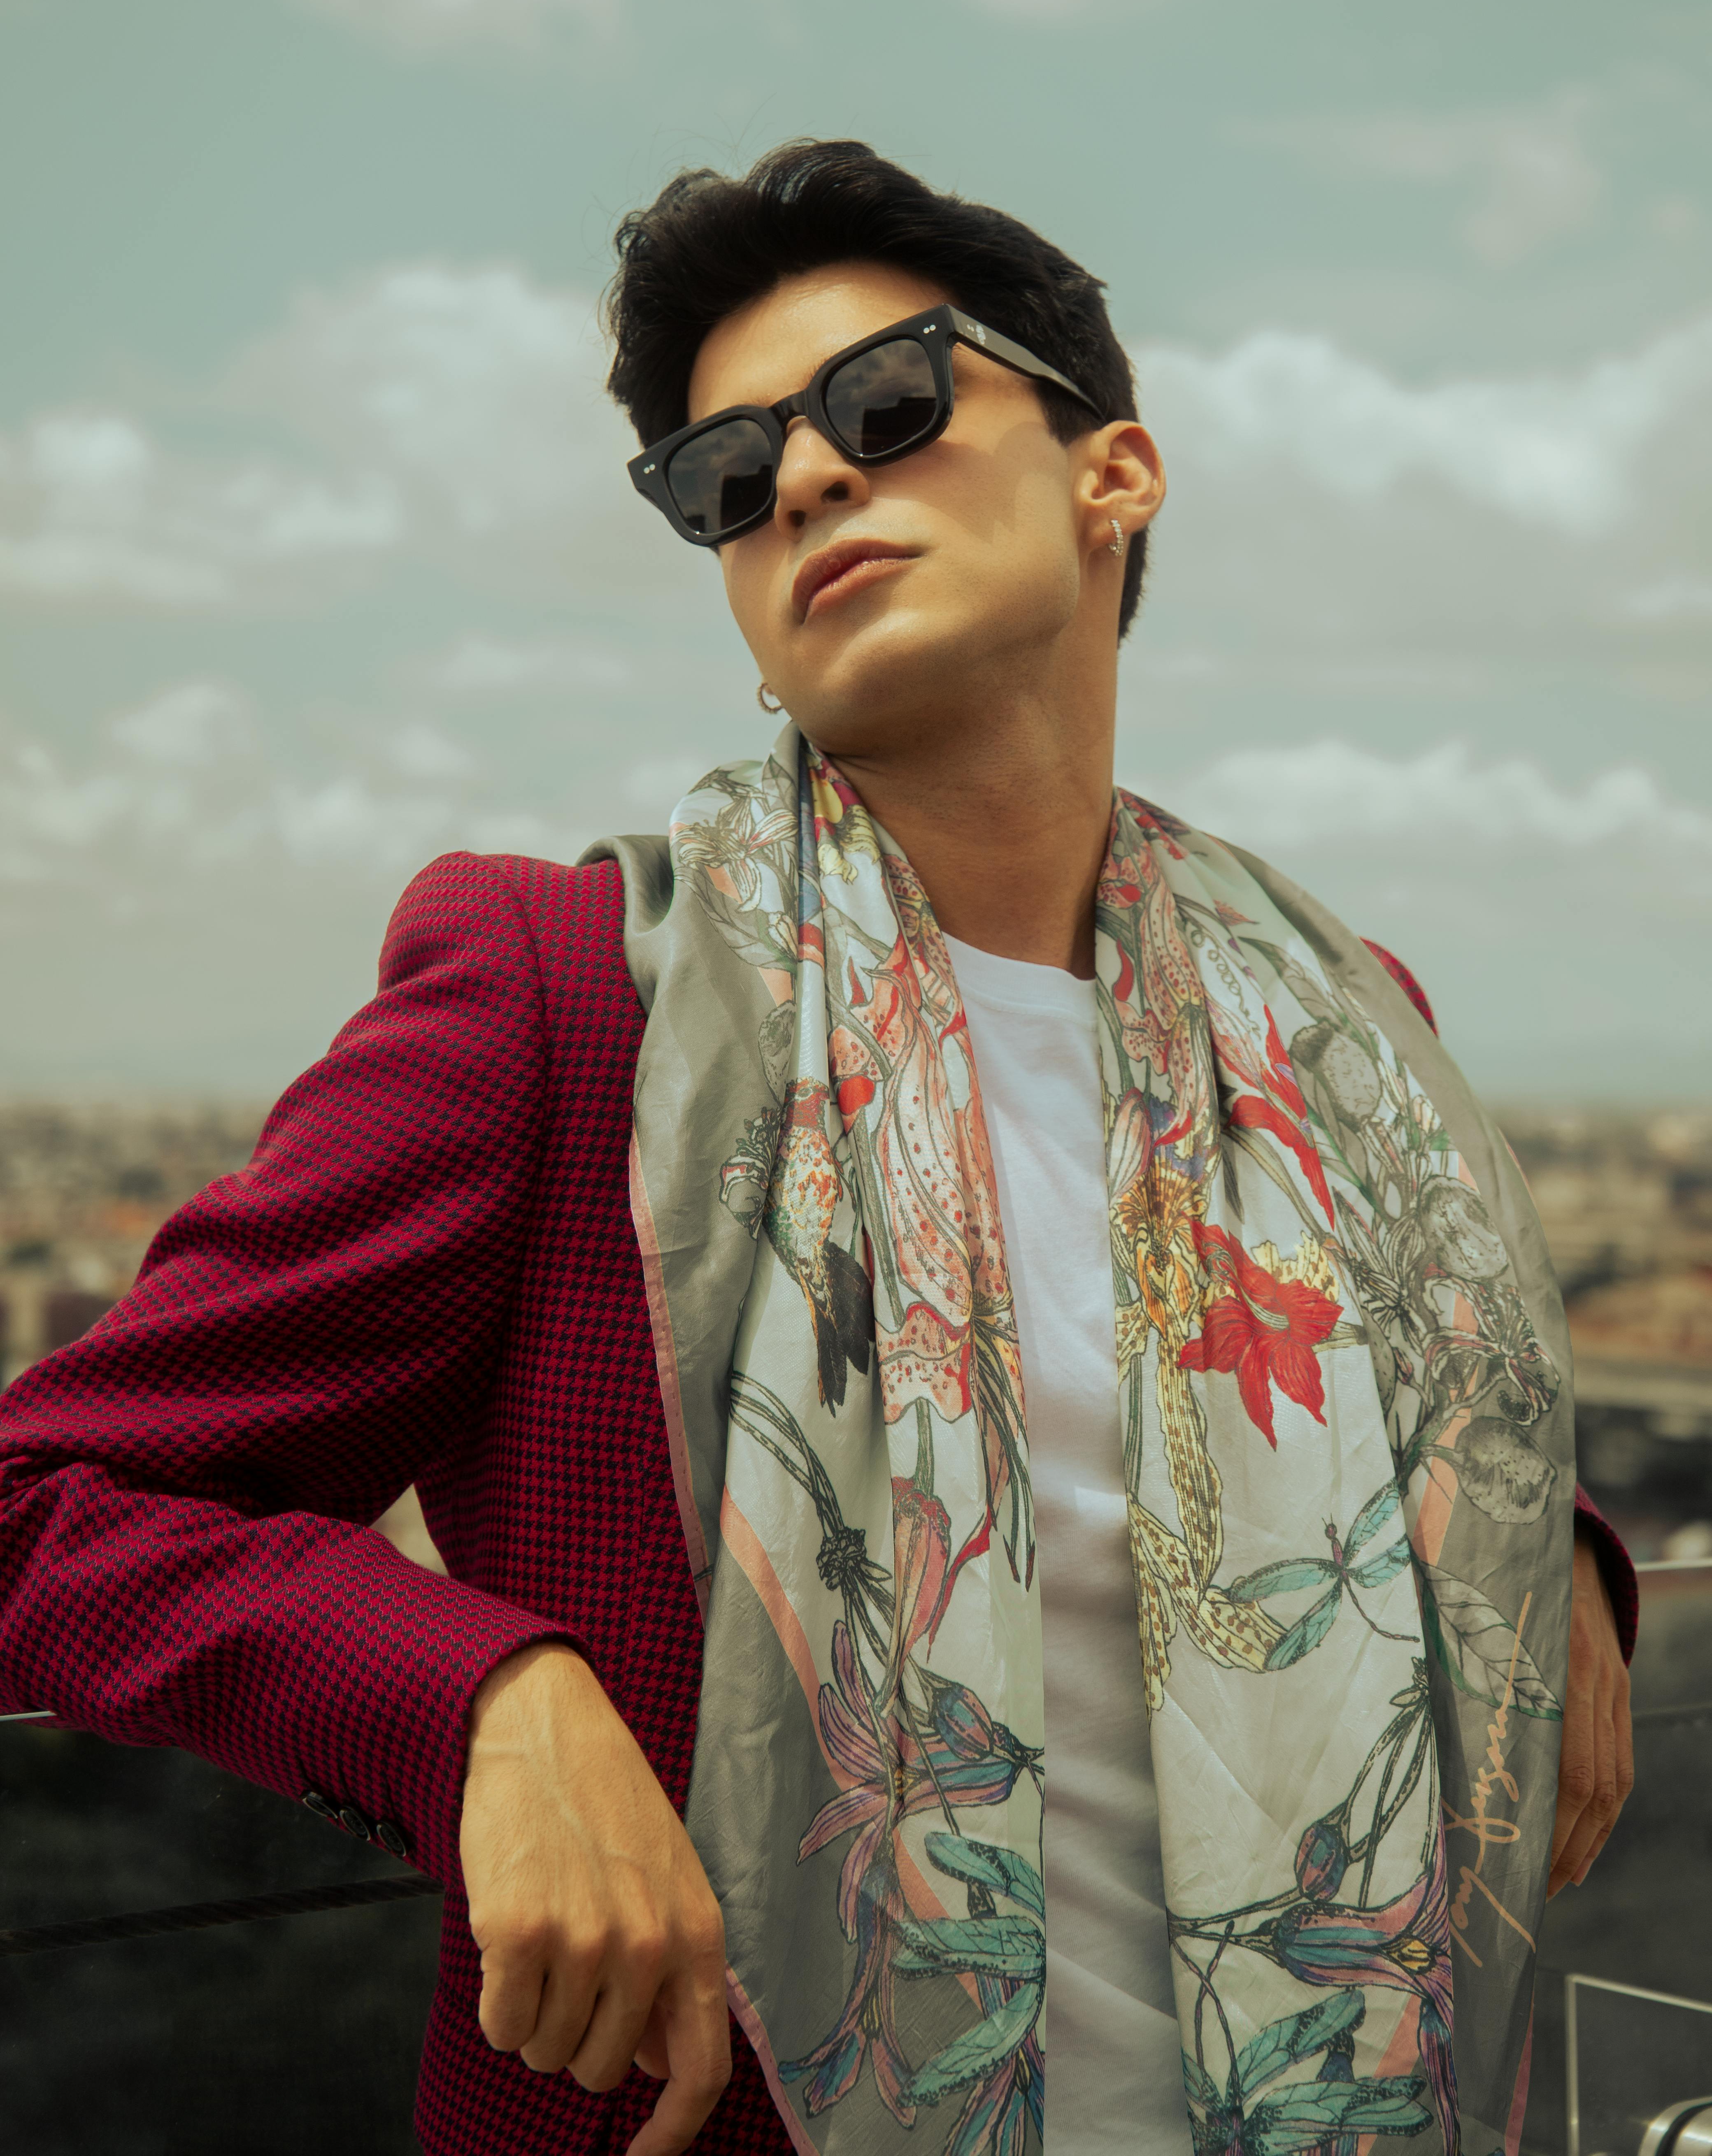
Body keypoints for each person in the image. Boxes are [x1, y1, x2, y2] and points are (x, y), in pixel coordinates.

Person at [0, 142, 1636, 2156]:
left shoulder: (1339, 1036)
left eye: (886, 402)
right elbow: (53, 1496)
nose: (794, 480)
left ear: (1113, 474)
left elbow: (1364, 1429)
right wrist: (482, 1700)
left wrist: (1541, 1539)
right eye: (720, 474)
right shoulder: (570, 1002)